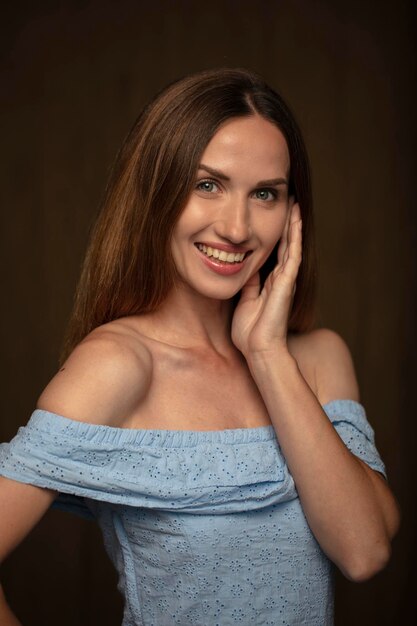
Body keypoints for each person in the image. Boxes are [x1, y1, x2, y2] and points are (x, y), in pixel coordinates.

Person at [0, 68, 400, 626]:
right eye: (206, 184)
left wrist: (266, 355)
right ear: (156, 191)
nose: (236, 227)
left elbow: (365, 552)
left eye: (265, 194)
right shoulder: (119, 365)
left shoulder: (317, 359)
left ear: (292, 213)